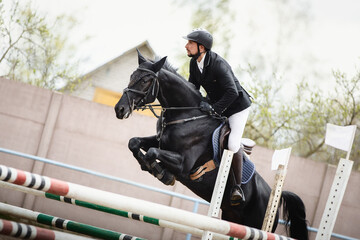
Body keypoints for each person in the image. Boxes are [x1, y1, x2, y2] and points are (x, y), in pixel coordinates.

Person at [183, 28, 252, 206]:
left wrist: (214, 109)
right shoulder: (194, 64)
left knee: (232, 143)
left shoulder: (218, 64)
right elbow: (193, 88)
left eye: (190, 43)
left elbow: (232, 92)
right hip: (218, 105)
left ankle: (237, 188)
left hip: (237, 107)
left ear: (202, 47)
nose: (186, 46)